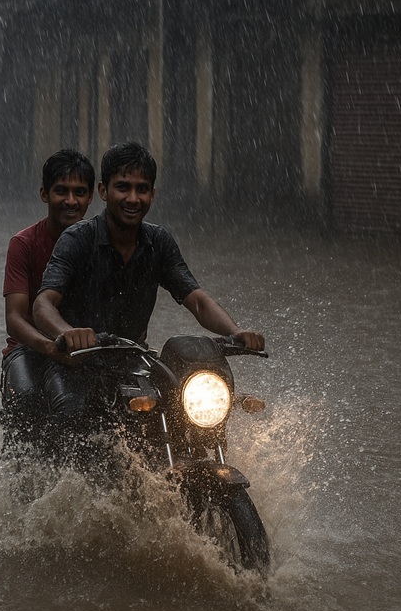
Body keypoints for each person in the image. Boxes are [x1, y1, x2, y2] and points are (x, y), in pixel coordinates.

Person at [32, 141, 264, 441]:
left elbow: (197, 300)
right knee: (74, 415)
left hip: (133, 360)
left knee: (185, 415)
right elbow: (43, 304)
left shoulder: (159, 242)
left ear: (152, 194)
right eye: (123, 187)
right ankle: (60, 486)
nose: (133, 198)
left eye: (142, 189)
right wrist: (67, 333)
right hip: (75, 364)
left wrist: (236, 331)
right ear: (103, 191)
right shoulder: (77, 239)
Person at [0, 149, 93, 452]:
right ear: (44, 194)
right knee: (27, 399)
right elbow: (15, 319)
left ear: (92, 196)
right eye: (61, 191)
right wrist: (50, 348)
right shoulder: (24, 244)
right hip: (30, 349)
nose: (71, 201)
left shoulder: (100, 244)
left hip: (85, 349)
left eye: (79, 192)